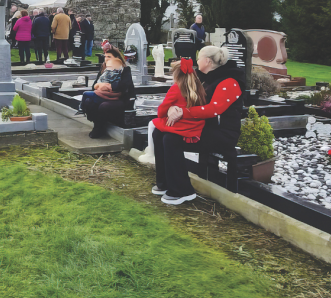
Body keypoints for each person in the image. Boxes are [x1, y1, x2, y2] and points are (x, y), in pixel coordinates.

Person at [153, 46, 245, 205]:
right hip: (204, 127)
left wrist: (183, 112)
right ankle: (165, 183)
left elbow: (214, 109)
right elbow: (187, 98)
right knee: (158, 132)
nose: (197, 62)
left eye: (199, 58)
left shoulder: (230, 81)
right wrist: (172, 108)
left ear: (207, 61)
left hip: (222, 134)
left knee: (171, 139)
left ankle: (183, 191)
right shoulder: (206, 78)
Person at [79, 46, 136, 138]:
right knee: (88, 102)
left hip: (119, 98)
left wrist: (109, 87)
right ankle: (97, 125)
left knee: (104, 106)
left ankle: (99, 128)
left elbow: (125, 85)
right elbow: (94, 85)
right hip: (102, 95)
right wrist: (100, 86)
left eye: (109, 57)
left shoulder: (124, 69)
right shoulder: (104, 69)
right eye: (105, 56)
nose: (106, 59)